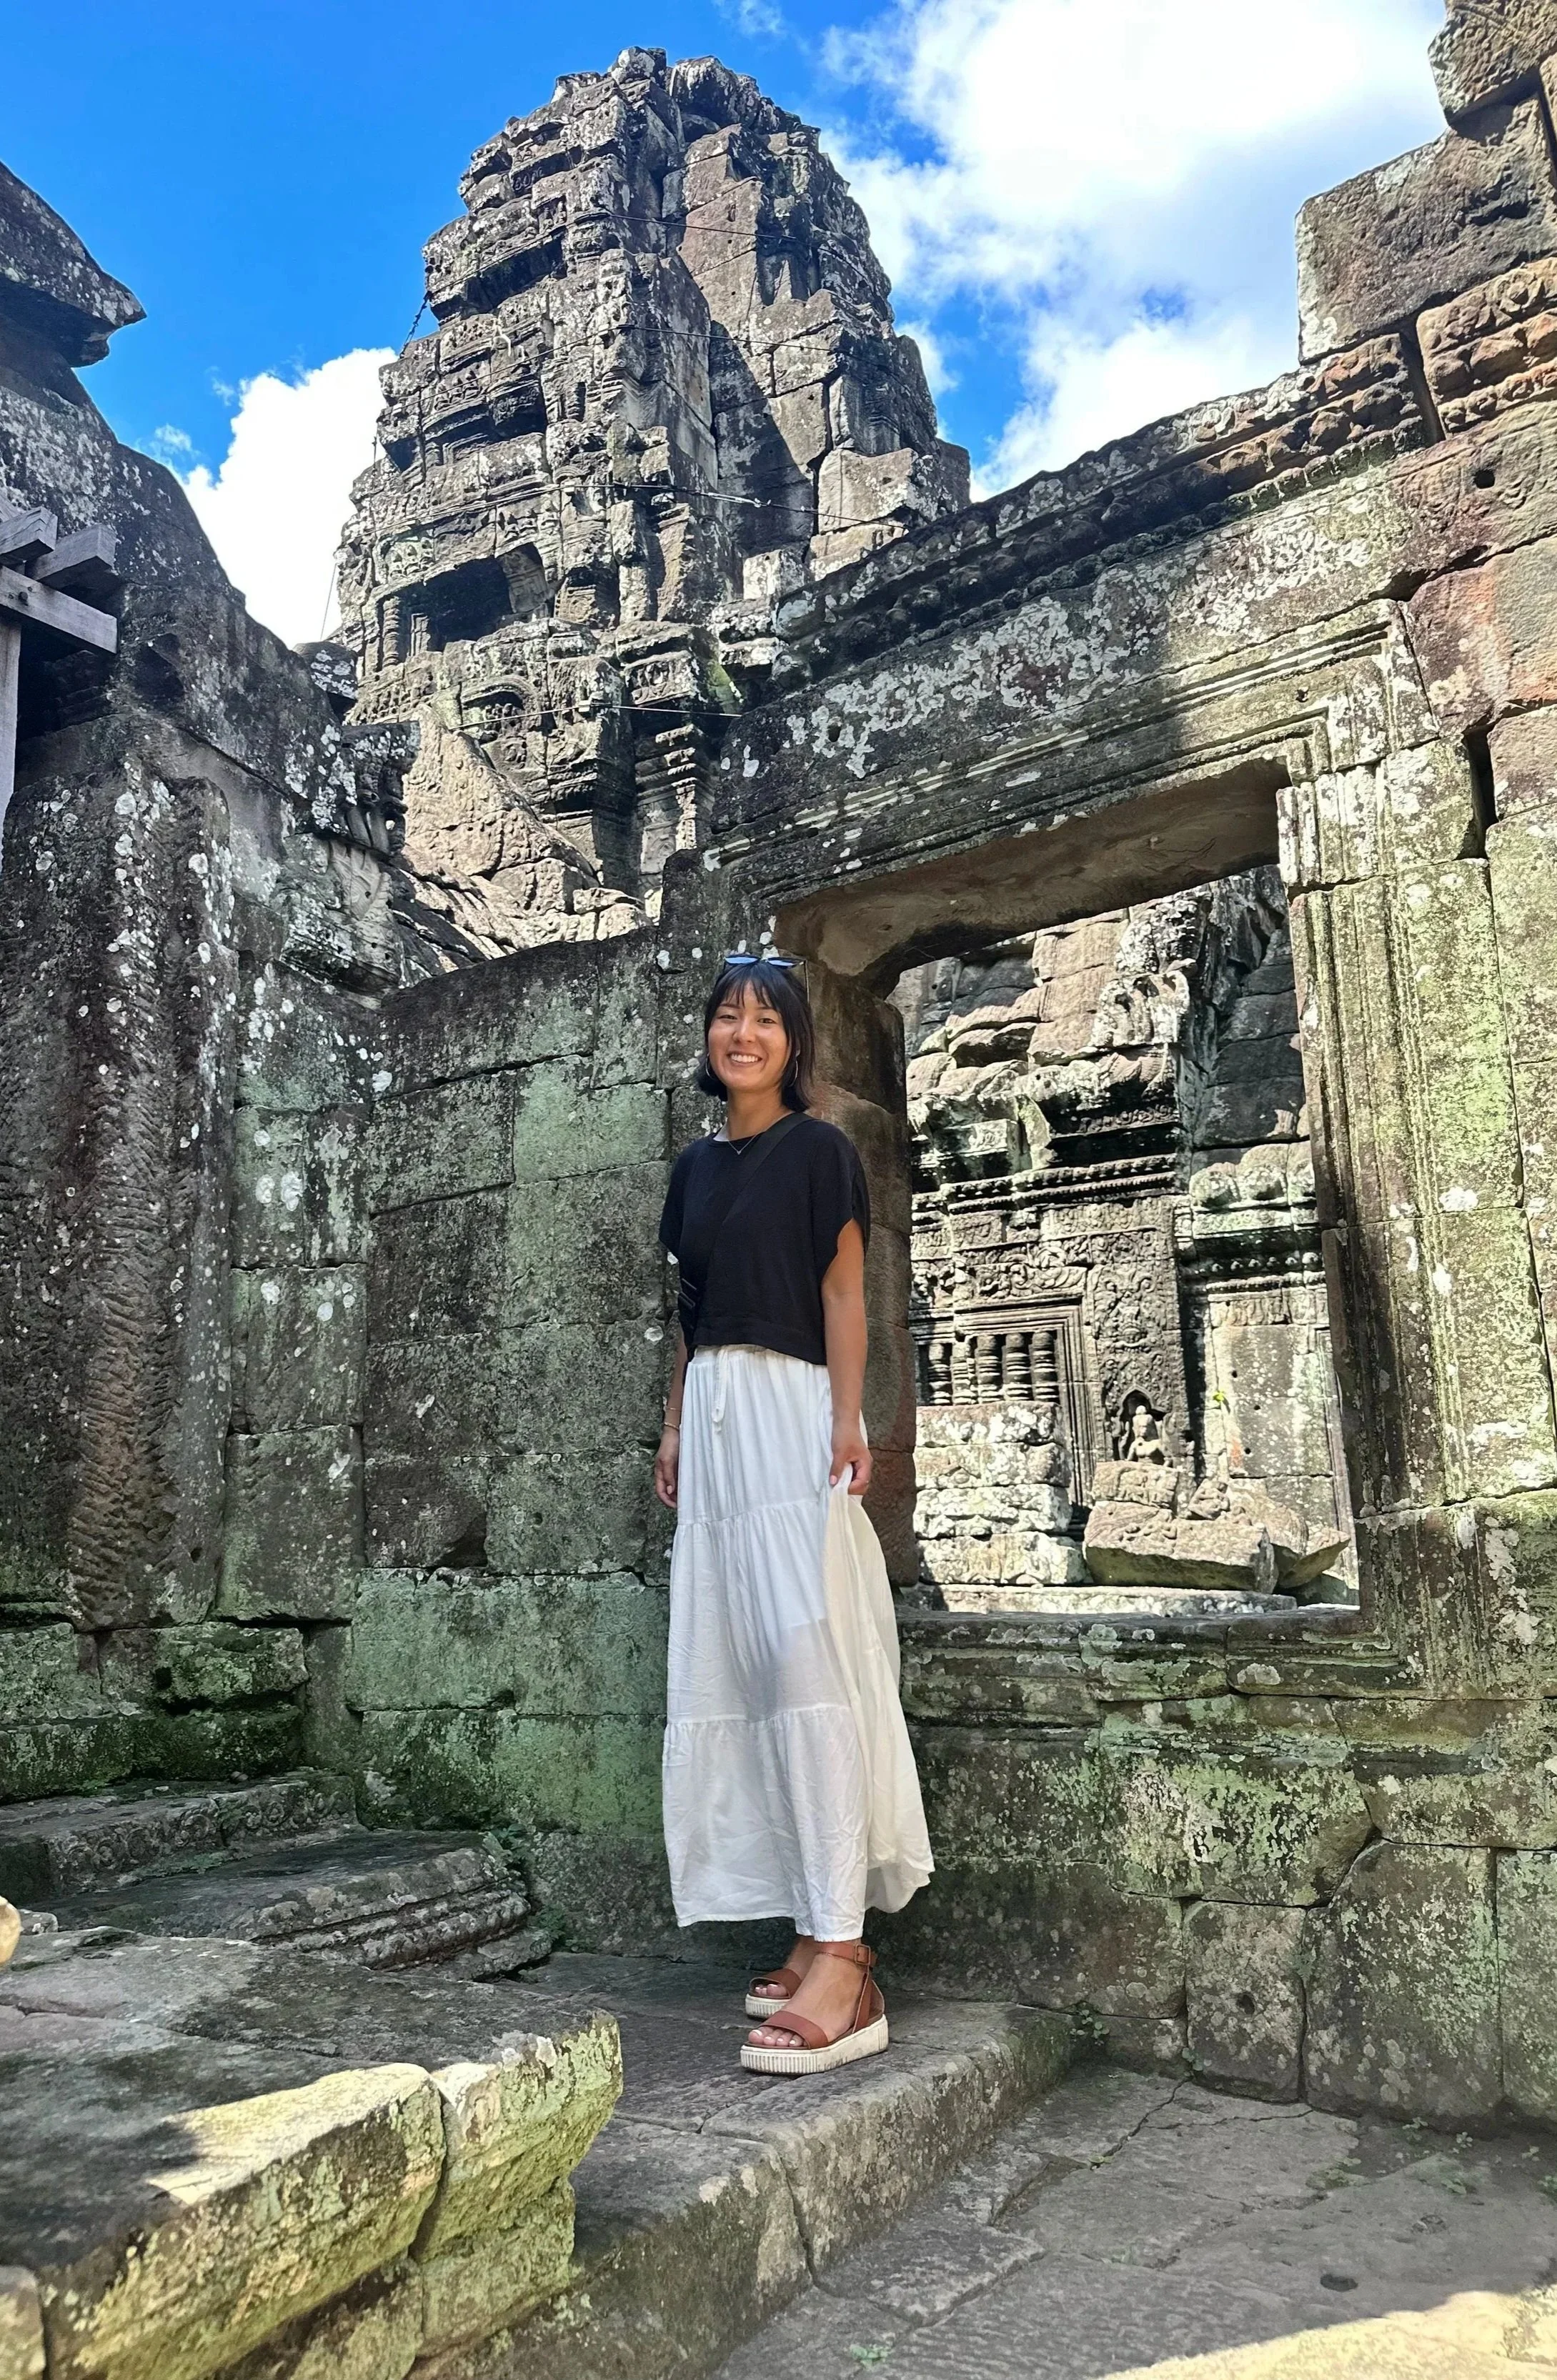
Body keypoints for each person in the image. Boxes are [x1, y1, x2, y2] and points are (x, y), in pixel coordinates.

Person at [655, 952, 934, 2076]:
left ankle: (844, 1953)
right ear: (710, 1038)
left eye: (765, 1017)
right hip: (716, 1410)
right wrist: (674, 1423)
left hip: (790, 1403)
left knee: (803, 1647)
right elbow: (686, 1311)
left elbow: (842, 1290)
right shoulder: (691, 1166)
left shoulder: (818, 1152)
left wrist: (848, 1414)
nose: (744, 1032)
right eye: (727, 1014)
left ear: (794, 1042)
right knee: (735, 1661)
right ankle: (800, 1916)